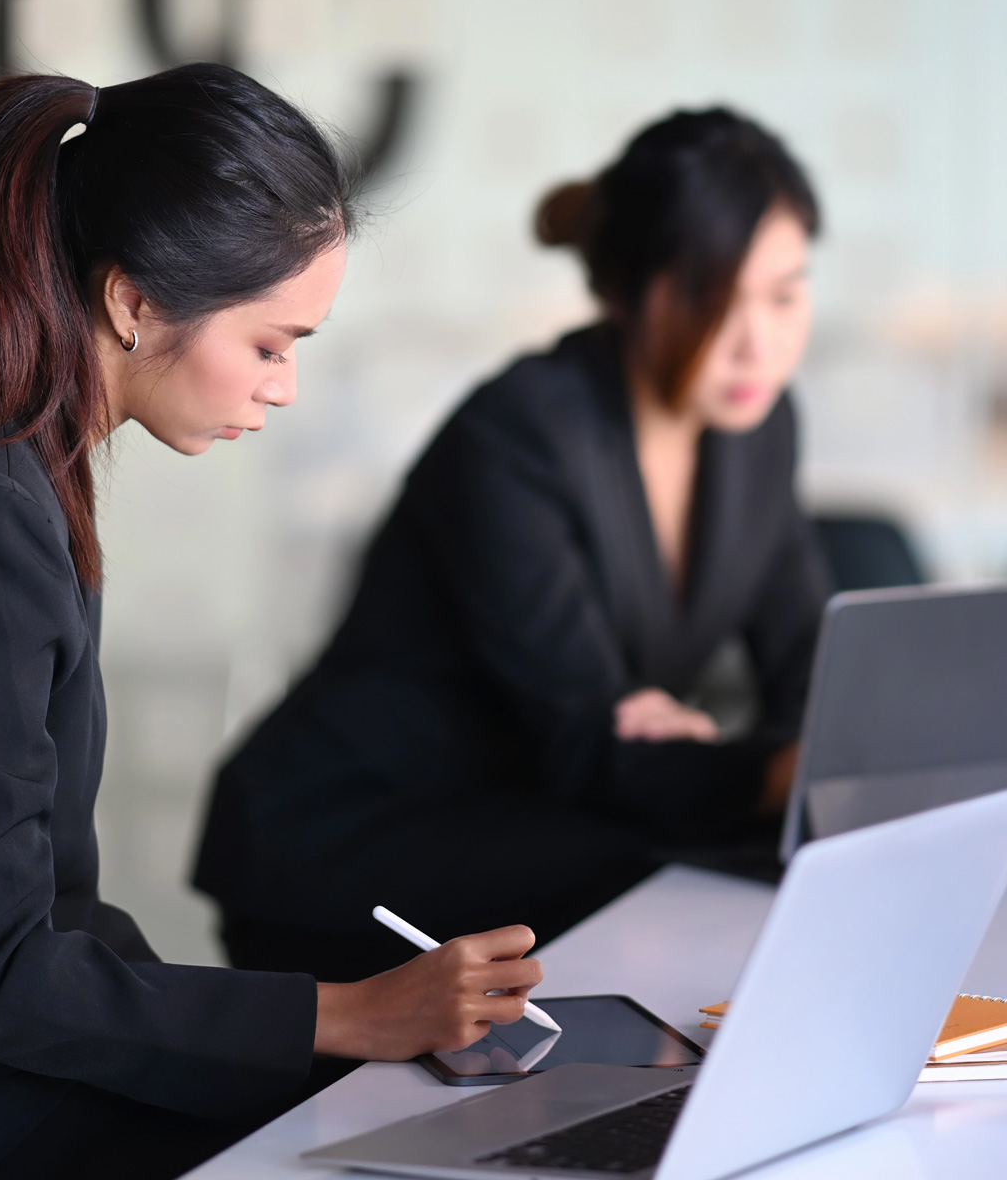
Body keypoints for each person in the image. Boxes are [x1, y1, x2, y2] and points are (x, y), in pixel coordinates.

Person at [0, 65, 544, 1180]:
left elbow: (46, 919)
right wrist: (346, 1015)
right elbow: (1, 973)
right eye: (272, 343)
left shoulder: (6, 487)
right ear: (132, 300)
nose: (284, 387)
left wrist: (321, 1029)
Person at [195, 108, 833, 981]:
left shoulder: (759, 428)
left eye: (786, 294)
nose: (758, 339)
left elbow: (815, 675)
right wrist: (754, 769)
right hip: (360, 832)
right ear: (625, 289)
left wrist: (757, 759)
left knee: (742, 869)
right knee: (702, 875)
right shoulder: (520, 433)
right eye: (711, 297)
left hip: (546, 816)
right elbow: (592, 746)